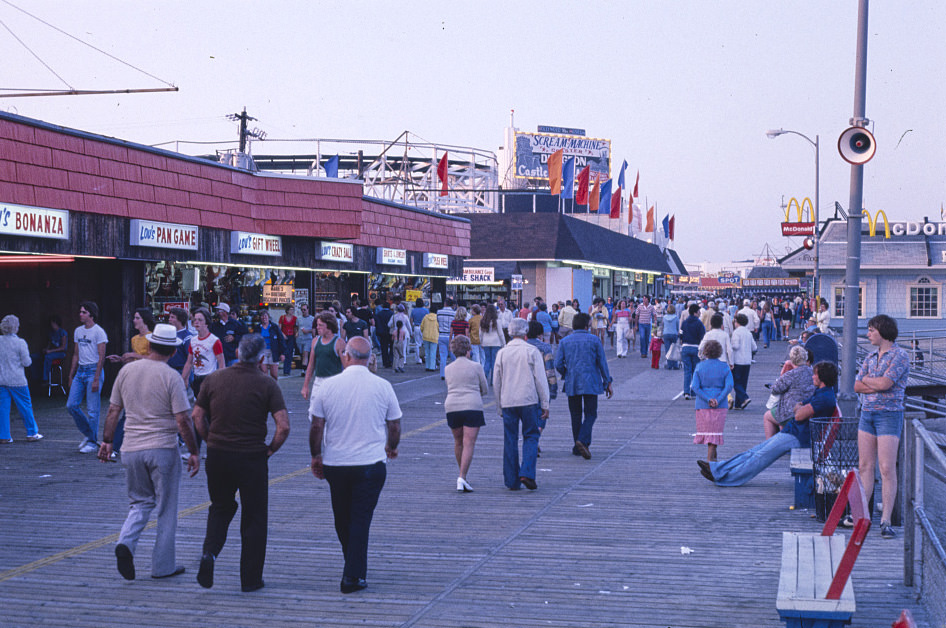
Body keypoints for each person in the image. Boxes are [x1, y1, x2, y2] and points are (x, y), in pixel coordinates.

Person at [97, 323, 199, 581]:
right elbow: (183, 420)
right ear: (173, 352)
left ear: (151, 345)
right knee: (166, 507)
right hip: (162, 448)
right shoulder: (171, 377)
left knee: (139, 502)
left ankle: (126, 542)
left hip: (130, 446)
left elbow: (113, 411)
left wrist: (107, 441)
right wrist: (194, 450)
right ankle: (163, 566)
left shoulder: (127, 371)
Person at [192, 334, 290, 592]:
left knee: (220, 507)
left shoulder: (214, 379)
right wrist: (269, 450)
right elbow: (283, 427)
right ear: (261, 358)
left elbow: (197, 415)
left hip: (218, 454)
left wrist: (209, 439)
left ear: (237, 352)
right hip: (252, 457)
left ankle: (209, 553)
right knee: (255, 516)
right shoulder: (267, 384)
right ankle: (250, 579)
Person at [309, 336, 401, 593]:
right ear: (370, 357)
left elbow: (317, 425)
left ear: (346, 356)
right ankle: (352, 573)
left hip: (336, 463)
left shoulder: (328, 386)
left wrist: (316, 455)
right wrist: (392, 447)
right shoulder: (382, 386)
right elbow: (394, 424)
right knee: (360, 518)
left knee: (342, 518)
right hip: (370, 463)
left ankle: (352, 570)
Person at [699, 361, 838, 486]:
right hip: (794, 431)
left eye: (815, 374)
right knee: (753, 452)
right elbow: (799, 408)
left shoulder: (824, 398)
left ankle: (725, 478)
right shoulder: (821, 393)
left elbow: (798, 414)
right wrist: (800, 408)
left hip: (800, 437)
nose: (813, 376)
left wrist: (800, 409)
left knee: (760, 457)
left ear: (822, 378)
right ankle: (717, 469)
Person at [853, 314, 910, 539]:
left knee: (886, 468)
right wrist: (873, 384)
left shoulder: (900, 356)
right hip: (867, 414)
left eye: (871, 330)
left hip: (889, 415)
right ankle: (862, 517)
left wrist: (870, 381)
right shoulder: (869, 357)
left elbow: (887, 383)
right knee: (865, 466)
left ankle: (886, 520)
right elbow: (857, 385)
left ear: (882, 332)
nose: (868, 334)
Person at [493, 319, 549, 490]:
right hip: (528, 400)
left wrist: (499, 405)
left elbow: (496, 381)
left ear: (509, 332)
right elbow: (540, 379)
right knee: (531, 435)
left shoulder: (502, 353)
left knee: (510, 439)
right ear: (525, 332)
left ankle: (511, 480)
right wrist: (545, 403)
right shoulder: (532, 351)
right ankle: (527, 472)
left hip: (508, 400)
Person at [554, 313, 613, 460]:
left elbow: (558, 364)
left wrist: (567, 373)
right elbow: (602, 363)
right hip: (591, 381)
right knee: (591, 413)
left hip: (572, 381)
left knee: (575, 415)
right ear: (587, 325)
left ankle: (577, 446)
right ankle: (583, 440)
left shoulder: (565, 341)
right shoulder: (594, 340)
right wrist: (607, 382)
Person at [105, 308, 157, 457]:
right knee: (129, 413)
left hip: (149, 377)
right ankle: (117, 445)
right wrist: (122, 358)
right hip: (136, 377)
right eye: (134, 317)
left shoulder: (151, 338)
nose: (134, 320)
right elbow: (136, 359)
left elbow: (153, 358)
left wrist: (133, 354)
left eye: (137, 318)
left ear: (144, 320)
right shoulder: (134, 339)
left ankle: (120, 445)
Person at [444, 334, 488, 492]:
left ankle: (462, 474)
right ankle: (462, 476)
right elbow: (485, 389)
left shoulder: (448, 368)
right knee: (469, 443)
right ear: (468, 350)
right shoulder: (476, 367)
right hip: (472, 405)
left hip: (452, 407)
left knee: (458, 442)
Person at [67, 301, 108, 453]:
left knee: (92, 409)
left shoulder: (99, 332)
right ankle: (88, 433)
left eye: (84, 312)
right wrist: (71, 374)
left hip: (93, 370)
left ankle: (92, 441)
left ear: (91, 314)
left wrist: (97, 378)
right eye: (80, 312)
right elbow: (76, 354)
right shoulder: (78, 331)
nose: (80, 314)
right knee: (71, 405)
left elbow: (101, 356)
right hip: (81, 371)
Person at [0, 315, 42, 443]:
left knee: (3, 408)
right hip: (17, 380)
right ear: (16, 327)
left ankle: (4, 436)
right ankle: (32, 432)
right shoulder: (20, 342)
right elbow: (27, 362)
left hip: (2, 379)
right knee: (25, 406)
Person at [691, 339, 734, 462]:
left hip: (702, 405)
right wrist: (719, 399)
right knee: (714, 436)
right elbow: (729, 386)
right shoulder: (724, 367)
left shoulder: (700, 367)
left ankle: (712, 464)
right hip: (720, 405)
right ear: (719, 352)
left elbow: (695, 387)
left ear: (705, 352)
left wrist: (708, 399)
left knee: (710, 437)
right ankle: (712, 463)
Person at [763, 345, 815, 438]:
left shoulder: (790, 374)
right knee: (780, 418)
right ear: (805, 357)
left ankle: (770, 446)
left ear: (791, 359)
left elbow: (776, 390)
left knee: (767, 416)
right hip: (809, 410)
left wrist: (783, 373)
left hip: (791, 412)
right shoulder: (813, 372)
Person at [302, 312, 346, 401]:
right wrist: (305, 386)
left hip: (334, 382)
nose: (317, 327)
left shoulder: (339, 343)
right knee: (314, 412)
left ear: (329, 326)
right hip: (318, 381)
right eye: (317, 325)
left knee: (333, 412)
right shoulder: (315, 341)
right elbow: (311, 365)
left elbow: (346, 366)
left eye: (320, 325)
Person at [730, 313, 758, 410]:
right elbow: (754, 347)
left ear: (736, 322)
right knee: (743, 382)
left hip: (738, 360)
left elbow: (735, 346)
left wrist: (729, 346)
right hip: (747, 361)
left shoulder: (736, 332)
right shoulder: (748, 333)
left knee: (735, 381)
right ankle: (738, 404)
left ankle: (745, 397)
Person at [679, 304, 705, 401]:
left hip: (685, 348)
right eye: (699, 312)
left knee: (687, 371)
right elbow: (703, 336)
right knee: (695, 371)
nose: (699, 314)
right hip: (695, 348)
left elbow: (681, 334)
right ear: (695, 313)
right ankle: (694, 391)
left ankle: (686, 392)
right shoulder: (699, 323)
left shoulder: (685, 322)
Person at [255, 310, 285, 381]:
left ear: (268, 317)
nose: (264, 318)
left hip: (273, 351)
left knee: (274, 374)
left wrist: (282, 353)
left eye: (265, 316)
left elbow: (281, 340)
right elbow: (254, 340)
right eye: (262, 316)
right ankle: (265, 389)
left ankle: (274, 388)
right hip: (262, 351)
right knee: (263, 372)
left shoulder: (274, 327)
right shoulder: (257, 328)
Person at [479, 303, 505, 382]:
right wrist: (504, 344)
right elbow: (500, 334)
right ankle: (494, 380)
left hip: (486, 343)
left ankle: (484, 378)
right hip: (496, 343)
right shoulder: (497, 321)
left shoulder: (483, 321)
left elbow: (480, 334)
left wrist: (481, 343)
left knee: (487, 361)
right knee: (494, 361)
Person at [38, 315, 68, 384]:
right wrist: (46, 349)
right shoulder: (51, 333)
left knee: (47, 357)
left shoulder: (63, 333)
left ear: (57, 323)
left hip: (60, 353)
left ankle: (45, 379)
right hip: (51, 352)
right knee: (35, 357)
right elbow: (49, 344)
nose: (52, 325)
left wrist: (50, 351)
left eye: (53, 323)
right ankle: (36, 377)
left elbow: (63, 348)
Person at [165, 307, 192, 375]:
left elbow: (190, 359)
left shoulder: (187, 337)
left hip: (181, 371)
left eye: (172, 317)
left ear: (180, 320)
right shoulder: (169, 334)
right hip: (169, 370)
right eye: (169, 317)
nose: (169, 319)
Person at [436, 298, 457, 379]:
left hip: (441, 335)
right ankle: (455, 372)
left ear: (445, 303)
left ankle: (443, 374)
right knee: (453, 355)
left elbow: (438, 322)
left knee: (443, 356)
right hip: (450, 335)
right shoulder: (454, 313)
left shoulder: (439, 312)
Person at [278, 305, 298, 376]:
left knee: (289, 353)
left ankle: (287, 370)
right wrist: (282, 335)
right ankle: (284, 368)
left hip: (291, 336)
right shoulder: (282, 318)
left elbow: (295, 327)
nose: (292, 311)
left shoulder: (295, 318)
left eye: (293, 310)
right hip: (284, 336)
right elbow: (279, 328)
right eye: (290, 310)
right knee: (284, 352)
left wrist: (296, 334)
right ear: (287, 310)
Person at [296, 303, 315, 372]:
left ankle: (303, 370)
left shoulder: (312, 319)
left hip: (308, 339)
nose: (303, 311)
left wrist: (308, 331)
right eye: (302, 310)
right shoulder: (298, 319)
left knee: (305, 353)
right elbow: (297, 328)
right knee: (302, 354)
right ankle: (304, 366)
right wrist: (296, 333)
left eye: (304, 310)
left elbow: (314, 329)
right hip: (300, 339)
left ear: (308, 309)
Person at [410, 298, 429, 365]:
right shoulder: (426, 311)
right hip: (424, 328)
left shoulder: (413, 311)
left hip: (416, 327)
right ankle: (425, 357)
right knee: (425, 343)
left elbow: (411, 320)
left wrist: (412, 328)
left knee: (417, 344)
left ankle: (418, 359)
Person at [662, 304, 680, 370]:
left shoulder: (664, 317)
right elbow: (678, 326)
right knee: (674, 349)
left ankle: (669, 365)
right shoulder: (676, 317)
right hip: (674, 334)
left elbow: (662, 325)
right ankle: (675, 365)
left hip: (666, 334)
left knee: (668, 350)